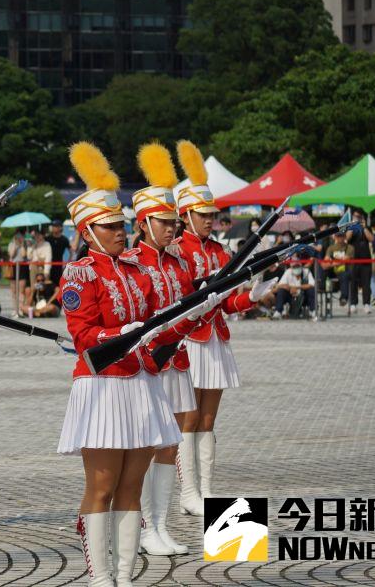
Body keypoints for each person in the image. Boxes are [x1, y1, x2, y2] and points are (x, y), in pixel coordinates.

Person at [58, 142, 193, 585]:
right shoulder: (80, 273)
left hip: (142, 385)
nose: (120, 231)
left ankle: (124, 574)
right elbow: (83, 336)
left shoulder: (139, 272)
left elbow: (158, 329)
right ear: (88, 232)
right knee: (101, 486)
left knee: (132, 486)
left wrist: (188, 314)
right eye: (110, 226)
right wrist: (123, 334)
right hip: (103, 387)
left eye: (121, 224)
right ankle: (100, 576)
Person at [123, 143, 217, 557]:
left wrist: (212, 303)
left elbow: (186, 316)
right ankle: (142, 525)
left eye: (173, 222)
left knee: (169, 443)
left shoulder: (179, 264)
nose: (170, 228)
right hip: (146, 365)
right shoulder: (131, 262)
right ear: (143, 223)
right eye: (162, 222)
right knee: (144, 444)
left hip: (176, 361)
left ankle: (159, 524)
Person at [172, 140, 275, 516]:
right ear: (184, 214)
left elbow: (228, 302)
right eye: (201, 214)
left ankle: (207, 490)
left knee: (210, 419)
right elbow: (179, 298)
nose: (209, 219)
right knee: (190, 417)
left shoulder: (218, 250)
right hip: (189, 339)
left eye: (211, 214)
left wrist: (253, 298)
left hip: (214, 338)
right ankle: (187, 492)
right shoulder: (178, 251)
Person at [346, 211, 374, 314]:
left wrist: (364, 227)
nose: (358, 218)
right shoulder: (350, 227)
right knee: (353, 283)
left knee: (366, 283)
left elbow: (372, 239)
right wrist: (353, 225)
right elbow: (347, 238)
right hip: (354, 260)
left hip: (366, 259)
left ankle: (367, 304)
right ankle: (353, 304)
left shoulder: (367, 227)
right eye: (356, 216)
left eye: (360, 216)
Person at [7, 232, 28, 313]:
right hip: (13, 267)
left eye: (20, 236)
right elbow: (11, 255)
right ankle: (15, 309)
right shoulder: (11, 244)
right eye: (17, 236)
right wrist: (15, 245)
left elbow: (23, 255)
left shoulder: (24, 245)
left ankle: (21, 308)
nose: (19, 238)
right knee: (14, 290)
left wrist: (22, 244)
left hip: (22, 266)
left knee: (21, 290)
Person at [47, 220, 70, 286]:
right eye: (53, 226)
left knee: (58, 284)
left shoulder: (64, 239)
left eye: (56, 226)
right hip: (49, 264)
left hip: (59, 265)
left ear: (60, 228)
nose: (54, 228)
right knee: (49, 284)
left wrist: (67, 263)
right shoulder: (48, 238)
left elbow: (71, 251)